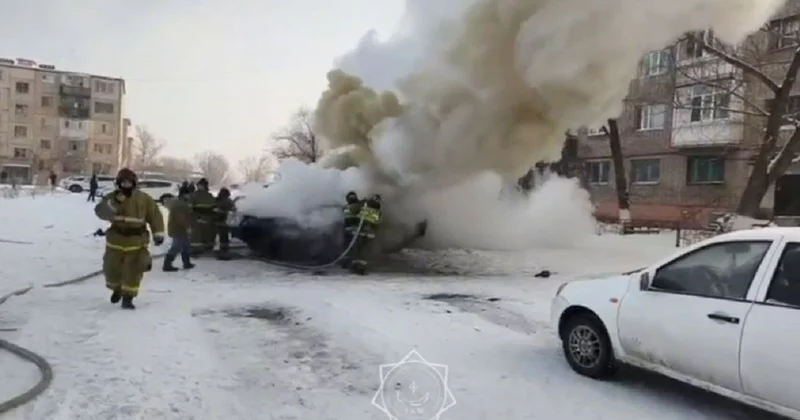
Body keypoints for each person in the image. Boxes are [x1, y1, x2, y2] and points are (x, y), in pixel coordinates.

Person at [94, 168, 164, 309]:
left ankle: (128, 298)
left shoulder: (144, 199)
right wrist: (115, 202)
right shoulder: (111, 197)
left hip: (136, 241)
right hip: (116, 240)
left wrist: (158, 233)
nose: (126, 185)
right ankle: (117, 289)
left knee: (133, 270)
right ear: (118, 184)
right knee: (111, 269)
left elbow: (155, 216)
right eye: (123, 183)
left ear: (134, 183)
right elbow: (101, 212)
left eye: (129, 182)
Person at [163, 185, 195, 272]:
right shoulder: (180, 204)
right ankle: (167, 265)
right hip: (178, 229)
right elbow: (181, 218)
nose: (189, 196)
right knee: (176, 247)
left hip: (180, 229)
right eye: (188, 194)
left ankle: (186, 263)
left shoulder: (181, 203)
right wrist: (187, 227)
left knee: (185, 246)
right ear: (184, 194)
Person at [349, 194, 381, 275]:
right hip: (360, 233)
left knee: (364, 252)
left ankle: (359, 268)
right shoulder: (364, 205)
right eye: (376, 200)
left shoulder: (377, 210)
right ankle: (357, 268)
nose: (377, 202)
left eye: (378, 200)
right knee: (359, 251)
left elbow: (375, 223)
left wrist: (373, 232)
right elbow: (354, 215)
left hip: (367, 234)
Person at [188, 178, 217, 255]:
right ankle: (205, 247)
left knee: (198, 234)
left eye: (201, 185)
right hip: (204, 217)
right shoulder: (208, 195)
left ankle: (197, 249)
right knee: (202, 233)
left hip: (199, 217)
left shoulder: (195, 195)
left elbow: (189, 207)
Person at [340, 191, 363, 268]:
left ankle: (355, 263)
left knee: (354, 247)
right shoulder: (347, 207)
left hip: (355, 230)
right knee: (348, 246)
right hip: (349, 230)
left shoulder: (357, 206)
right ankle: (348, 261)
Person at [214, 187, 236, 260]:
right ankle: (224, 253)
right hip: (224, 222)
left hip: (219, 221)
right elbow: (233, 210)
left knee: (222, 238)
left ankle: (222, 252)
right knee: (224, 238)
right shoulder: (228, 201)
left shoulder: (217, 200)